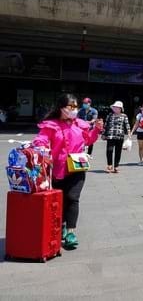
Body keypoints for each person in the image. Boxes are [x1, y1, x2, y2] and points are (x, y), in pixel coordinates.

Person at [32, 93, 104, 249]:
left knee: (72, 197)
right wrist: (40, 147)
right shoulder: (51, 125)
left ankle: (71, 232)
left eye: (76, 106)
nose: (74, 109)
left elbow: (89, 140)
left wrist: (96, 130)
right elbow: (41, 140)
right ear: (61, 108)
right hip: (57, 168)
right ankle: (62, 225)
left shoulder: (80, 124)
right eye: (70, 107)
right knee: (59, 199)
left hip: (77, 167)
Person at [102, 101, 130, 173]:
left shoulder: (124, 116)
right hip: (110, 135)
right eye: (114, 107)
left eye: (116, 107)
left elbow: (127, 125)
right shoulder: (110, 115)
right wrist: (103, 134)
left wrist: (129, 133)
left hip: (120, 136)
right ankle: (109, 165)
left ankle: (116, 166)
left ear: (120, 108)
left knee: (118, 152)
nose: (114, 108)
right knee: (109, 150)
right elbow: (105, 125)